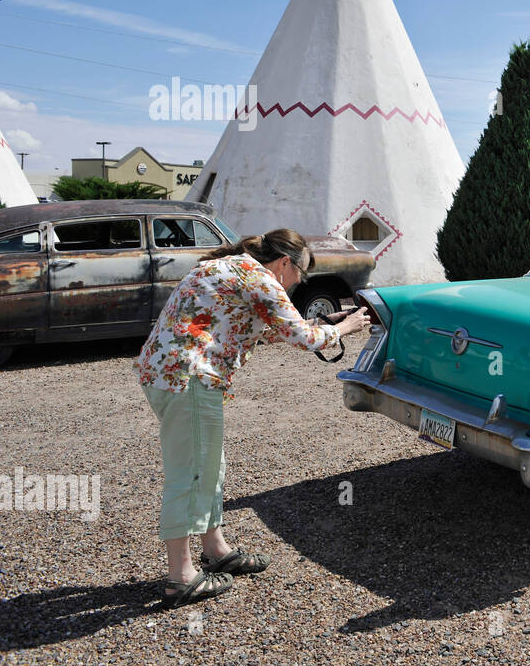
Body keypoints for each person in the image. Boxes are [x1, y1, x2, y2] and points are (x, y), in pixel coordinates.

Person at [136, 228, 371, 608]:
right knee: (192, 472)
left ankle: (215, 549)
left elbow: (271, 329)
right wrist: (344, 328)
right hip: (190, 379)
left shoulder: (231, 267)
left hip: (168, 374)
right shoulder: (260, 278)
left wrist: (326, 320)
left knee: (209, 464)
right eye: (301, 273)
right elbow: (301, 338)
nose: (300, 281)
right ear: (284, 264)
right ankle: (180, 576)